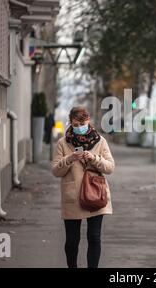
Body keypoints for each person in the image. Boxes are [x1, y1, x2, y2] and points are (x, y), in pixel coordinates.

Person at [51, 106, 115, 268]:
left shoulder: (100, 141)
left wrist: (94, 158)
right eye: (76, 124)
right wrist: (69, 159)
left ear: (88, 121)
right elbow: (56, 171)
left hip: (96, 194)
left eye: (83, 123)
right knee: (72, 240)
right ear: (70, 123)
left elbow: (110, 167)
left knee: (94, 237)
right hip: (72, 196)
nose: (80, 127)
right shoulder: (63, 143)